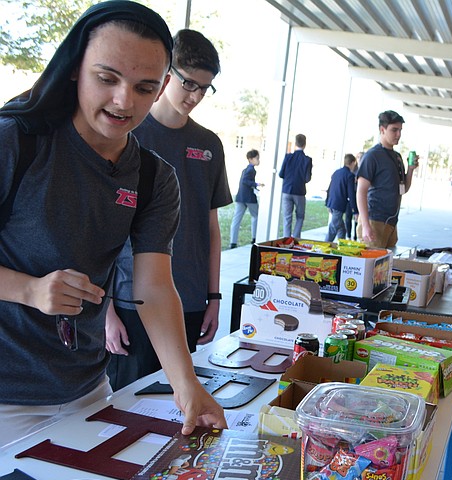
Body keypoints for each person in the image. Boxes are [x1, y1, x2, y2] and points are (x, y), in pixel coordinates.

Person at [0, 0, 226, 447]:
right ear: (74, 69)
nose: (125, 101)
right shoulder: (15, 142)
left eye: (144, 87)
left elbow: (154, 288)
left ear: (161, 87)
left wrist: (185, 384)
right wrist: (28, 289)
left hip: (87, 388)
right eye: (107, 79)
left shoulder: (153, 177)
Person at [105, 28, 231, 391]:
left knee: (177, 405)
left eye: (205, 88)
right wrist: (106, 311)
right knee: (128, 407)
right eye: (188, 84)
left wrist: (213, 297)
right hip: (131, 299)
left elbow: (211, 227)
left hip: (188, 298)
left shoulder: (209, 145)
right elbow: (101, 228)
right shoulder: (128, 133)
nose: (195, 96)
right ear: (166, 73)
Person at [356, 110, 419, 248]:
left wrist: (410, 169)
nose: (398, 135)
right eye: (394, 130)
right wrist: (366, 225)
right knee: (371, 267)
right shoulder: (372, 156)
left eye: (400, 130)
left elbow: (403, 189)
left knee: (386, 267)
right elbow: (361, 192)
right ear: (382, 130)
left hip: (391, 222)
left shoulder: (397, 157)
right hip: (374, 221)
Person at [278, 133, 312, 238]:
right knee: (300, 216)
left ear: (295, 143)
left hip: (287, 190)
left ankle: (287, 239)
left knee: (287, 217)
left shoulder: (288, 157)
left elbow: (281, 174)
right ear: (305, 144)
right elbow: (307, 178)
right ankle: (296, 238)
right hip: (299, 192)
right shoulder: (307, 160)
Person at [230, 149, 264, 248]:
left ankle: (233, 241)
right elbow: (246, 181)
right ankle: (254, 237)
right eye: (257, 158)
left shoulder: (245, 169)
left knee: (237, 219)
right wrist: (256, 184)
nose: (258, 160)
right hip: (249, 198)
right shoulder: (251, 169)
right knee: (255, 216)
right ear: (250, 159)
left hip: (240, 197)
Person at [325, 153, 357, 242]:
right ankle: (322, 249)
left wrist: (327, 202)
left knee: (342, 229)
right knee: (332, 229)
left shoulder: (336, 172)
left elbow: (330, 188)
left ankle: (341, 247)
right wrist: (355, 211)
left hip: (332, 203)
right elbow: (351, 194)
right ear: (353, 163)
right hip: (338, 205)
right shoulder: (350, 175)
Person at [346, 150, 364, 240]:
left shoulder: (365, 169)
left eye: (361, 157)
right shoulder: (353, 170)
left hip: (360, 196)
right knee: (349, 217)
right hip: (352, 196)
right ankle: (348, 235)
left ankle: (356, 236)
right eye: (358, 157)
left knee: (358, 218)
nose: (359, 159)